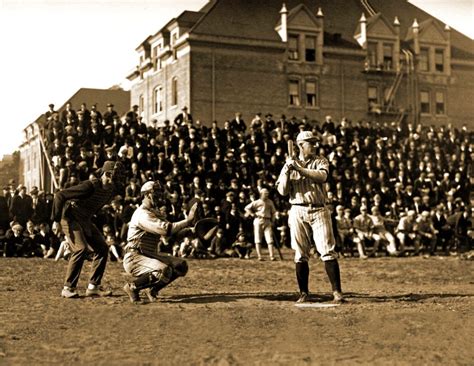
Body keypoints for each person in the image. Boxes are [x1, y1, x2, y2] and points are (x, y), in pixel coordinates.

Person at [276, 131, 343, 304]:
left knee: (327, 251)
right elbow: (282, 191)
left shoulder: (320, 161)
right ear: (300, 145)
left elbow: (322, 176)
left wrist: (298, 168)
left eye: (314, 142)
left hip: (319, 209)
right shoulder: (289, 164)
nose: (314, 145)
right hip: (297, 209)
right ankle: (304, 293)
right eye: (310, 143)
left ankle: (337, 292)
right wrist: (287, 171)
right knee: (300, 254)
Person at [51, 161, 125, 298]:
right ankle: (68, 288)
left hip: (84, 219)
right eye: (113, 176)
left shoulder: (111, 190)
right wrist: (56, 221)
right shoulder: (89, 186)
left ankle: (93, 287)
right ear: (106, 174)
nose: (115, 181)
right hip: (69, 217)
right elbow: (60, 195)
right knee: (80, 248)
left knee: (102, 248)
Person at [122, 181, 198, 304]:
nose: (158, 195)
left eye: (159, 192)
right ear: (146, 195)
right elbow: (166, 229)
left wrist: (189, 231)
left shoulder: (154, 212)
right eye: (155, 192)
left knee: (181, 265)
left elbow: (170, 236)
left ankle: (152, 289)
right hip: (135, 257)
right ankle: (132, 287)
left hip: (149, 255)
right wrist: (187, 221)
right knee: (163, 270)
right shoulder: (142, 214)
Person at [244, 188, 277, 261]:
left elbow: (274, 212)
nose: (267, 195)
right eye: (265, 194)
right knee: (258, 239)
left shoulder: (270, 202)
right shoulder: (256, 202)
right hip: (258, 220)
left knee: (270, 239)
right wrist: (252, 214)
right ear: (261, 194)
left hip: (268, 220)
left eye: (267, 193)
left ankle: (272, 256)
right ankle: (260, 256)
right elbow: (246, 208)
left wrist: (273, 221)